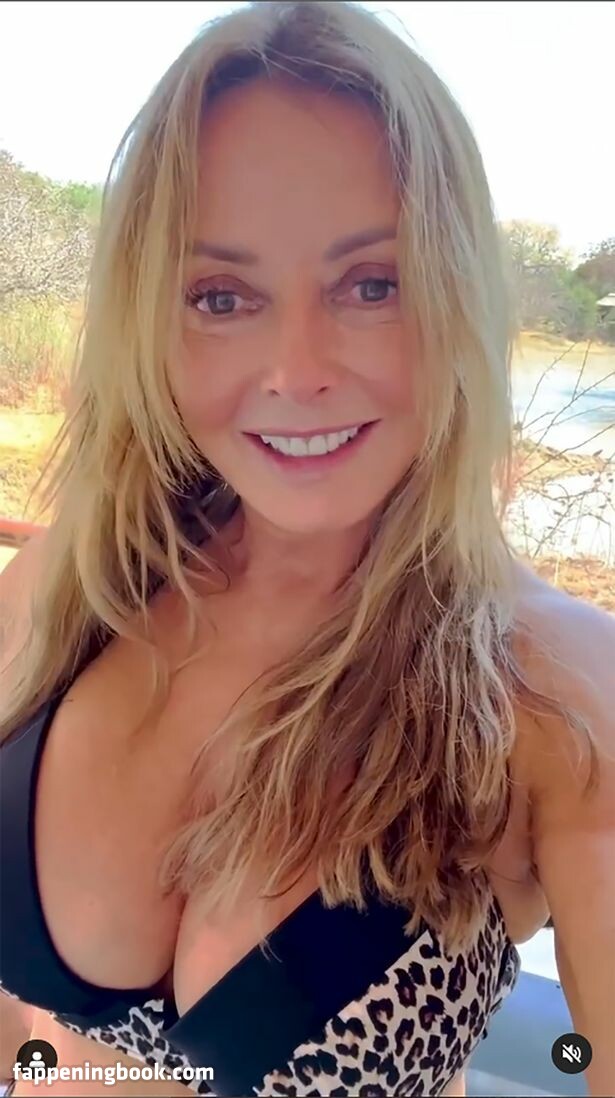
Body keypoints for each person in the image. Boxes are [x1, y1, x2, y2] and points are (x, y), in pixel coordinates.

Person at [0, 2, 613, 1096]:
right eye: (221, 296)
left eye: (371, 285)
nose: (296, 370)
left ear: (454, 292)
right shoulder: (66, 593)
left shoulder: (553, 688)